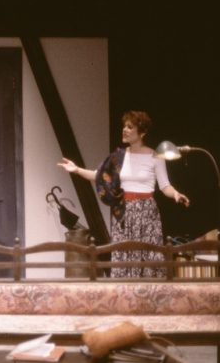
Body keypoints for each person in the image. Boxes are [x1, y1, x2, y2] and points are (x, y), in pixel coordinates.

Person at [57, 110, 189, 277]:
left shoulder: (156, 157)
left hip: (146, 212)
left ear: (142, 133)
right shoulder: (118, 156)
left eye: (130, 127)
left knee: (147, 257)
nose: (124, 130)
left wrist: (176, 193)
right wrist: (76, 169)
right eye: (124, 126)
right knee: (123, 256)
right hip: (123, 212)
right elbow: (99, 176)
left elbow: (165, 186)